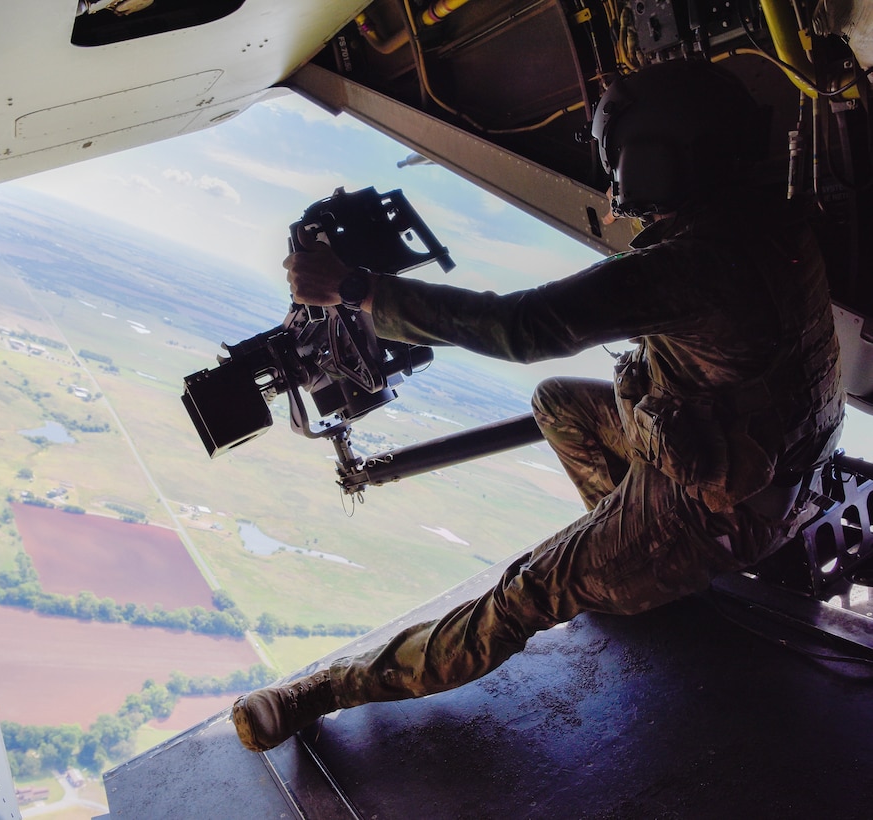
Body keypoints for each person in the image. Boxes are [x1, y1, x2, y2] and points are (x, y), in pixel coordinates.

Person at [231, 59, 845, 753]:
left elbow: (521, 327)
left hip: (718, 512)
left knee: (523, 593)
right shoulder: (775, 219)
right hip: (774, 472)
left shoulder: (697, 265)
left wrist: (358, 291)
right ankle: (631, 562)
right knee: (560, 404)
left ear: (653, 160)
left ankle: (329, 690)